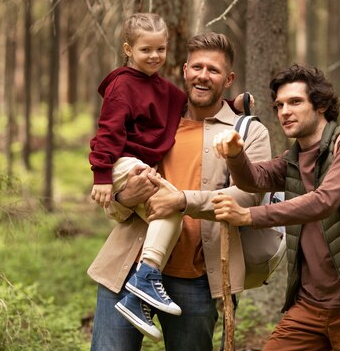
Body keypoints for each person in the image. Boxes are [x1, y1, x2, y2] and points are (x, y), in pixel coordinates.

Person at [87, 31, 272, 351]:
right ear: (185, 70)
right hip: (127, 268)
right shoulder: (156, 119)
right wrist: (124, 198)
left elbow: (248, 195)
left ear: (228, 79)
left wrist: (182, 200)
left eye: (213, 70)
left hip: (197, 278)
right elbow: (116, 201)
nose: (203, 76)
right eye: (197, 67)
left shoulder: (247, 130)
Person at [212, 63, 340, 351]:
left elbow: (324, 200)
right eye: (279, 105)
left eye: (295, 102)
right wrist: (235, 155)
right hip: (309, 306)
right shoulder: (293, 159)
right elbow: (253, 179)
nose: (284, 112)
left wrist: (248, 216)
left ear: (320, 105)